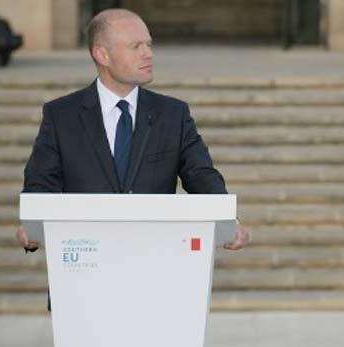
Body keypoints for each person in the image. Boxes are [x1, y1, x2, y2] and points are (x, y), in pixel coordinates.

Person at [16, 8, 248, 250]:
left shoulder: (173, 114)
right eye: (136, 46)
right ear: (102, 55)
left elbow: (201, 175)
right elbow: (41, 184)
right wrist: (32, 227)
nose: (148, 54)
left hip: (154, 259)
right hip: (84, 262)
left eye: (149, 44)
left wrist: (229, 222)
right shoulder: (61, 115)